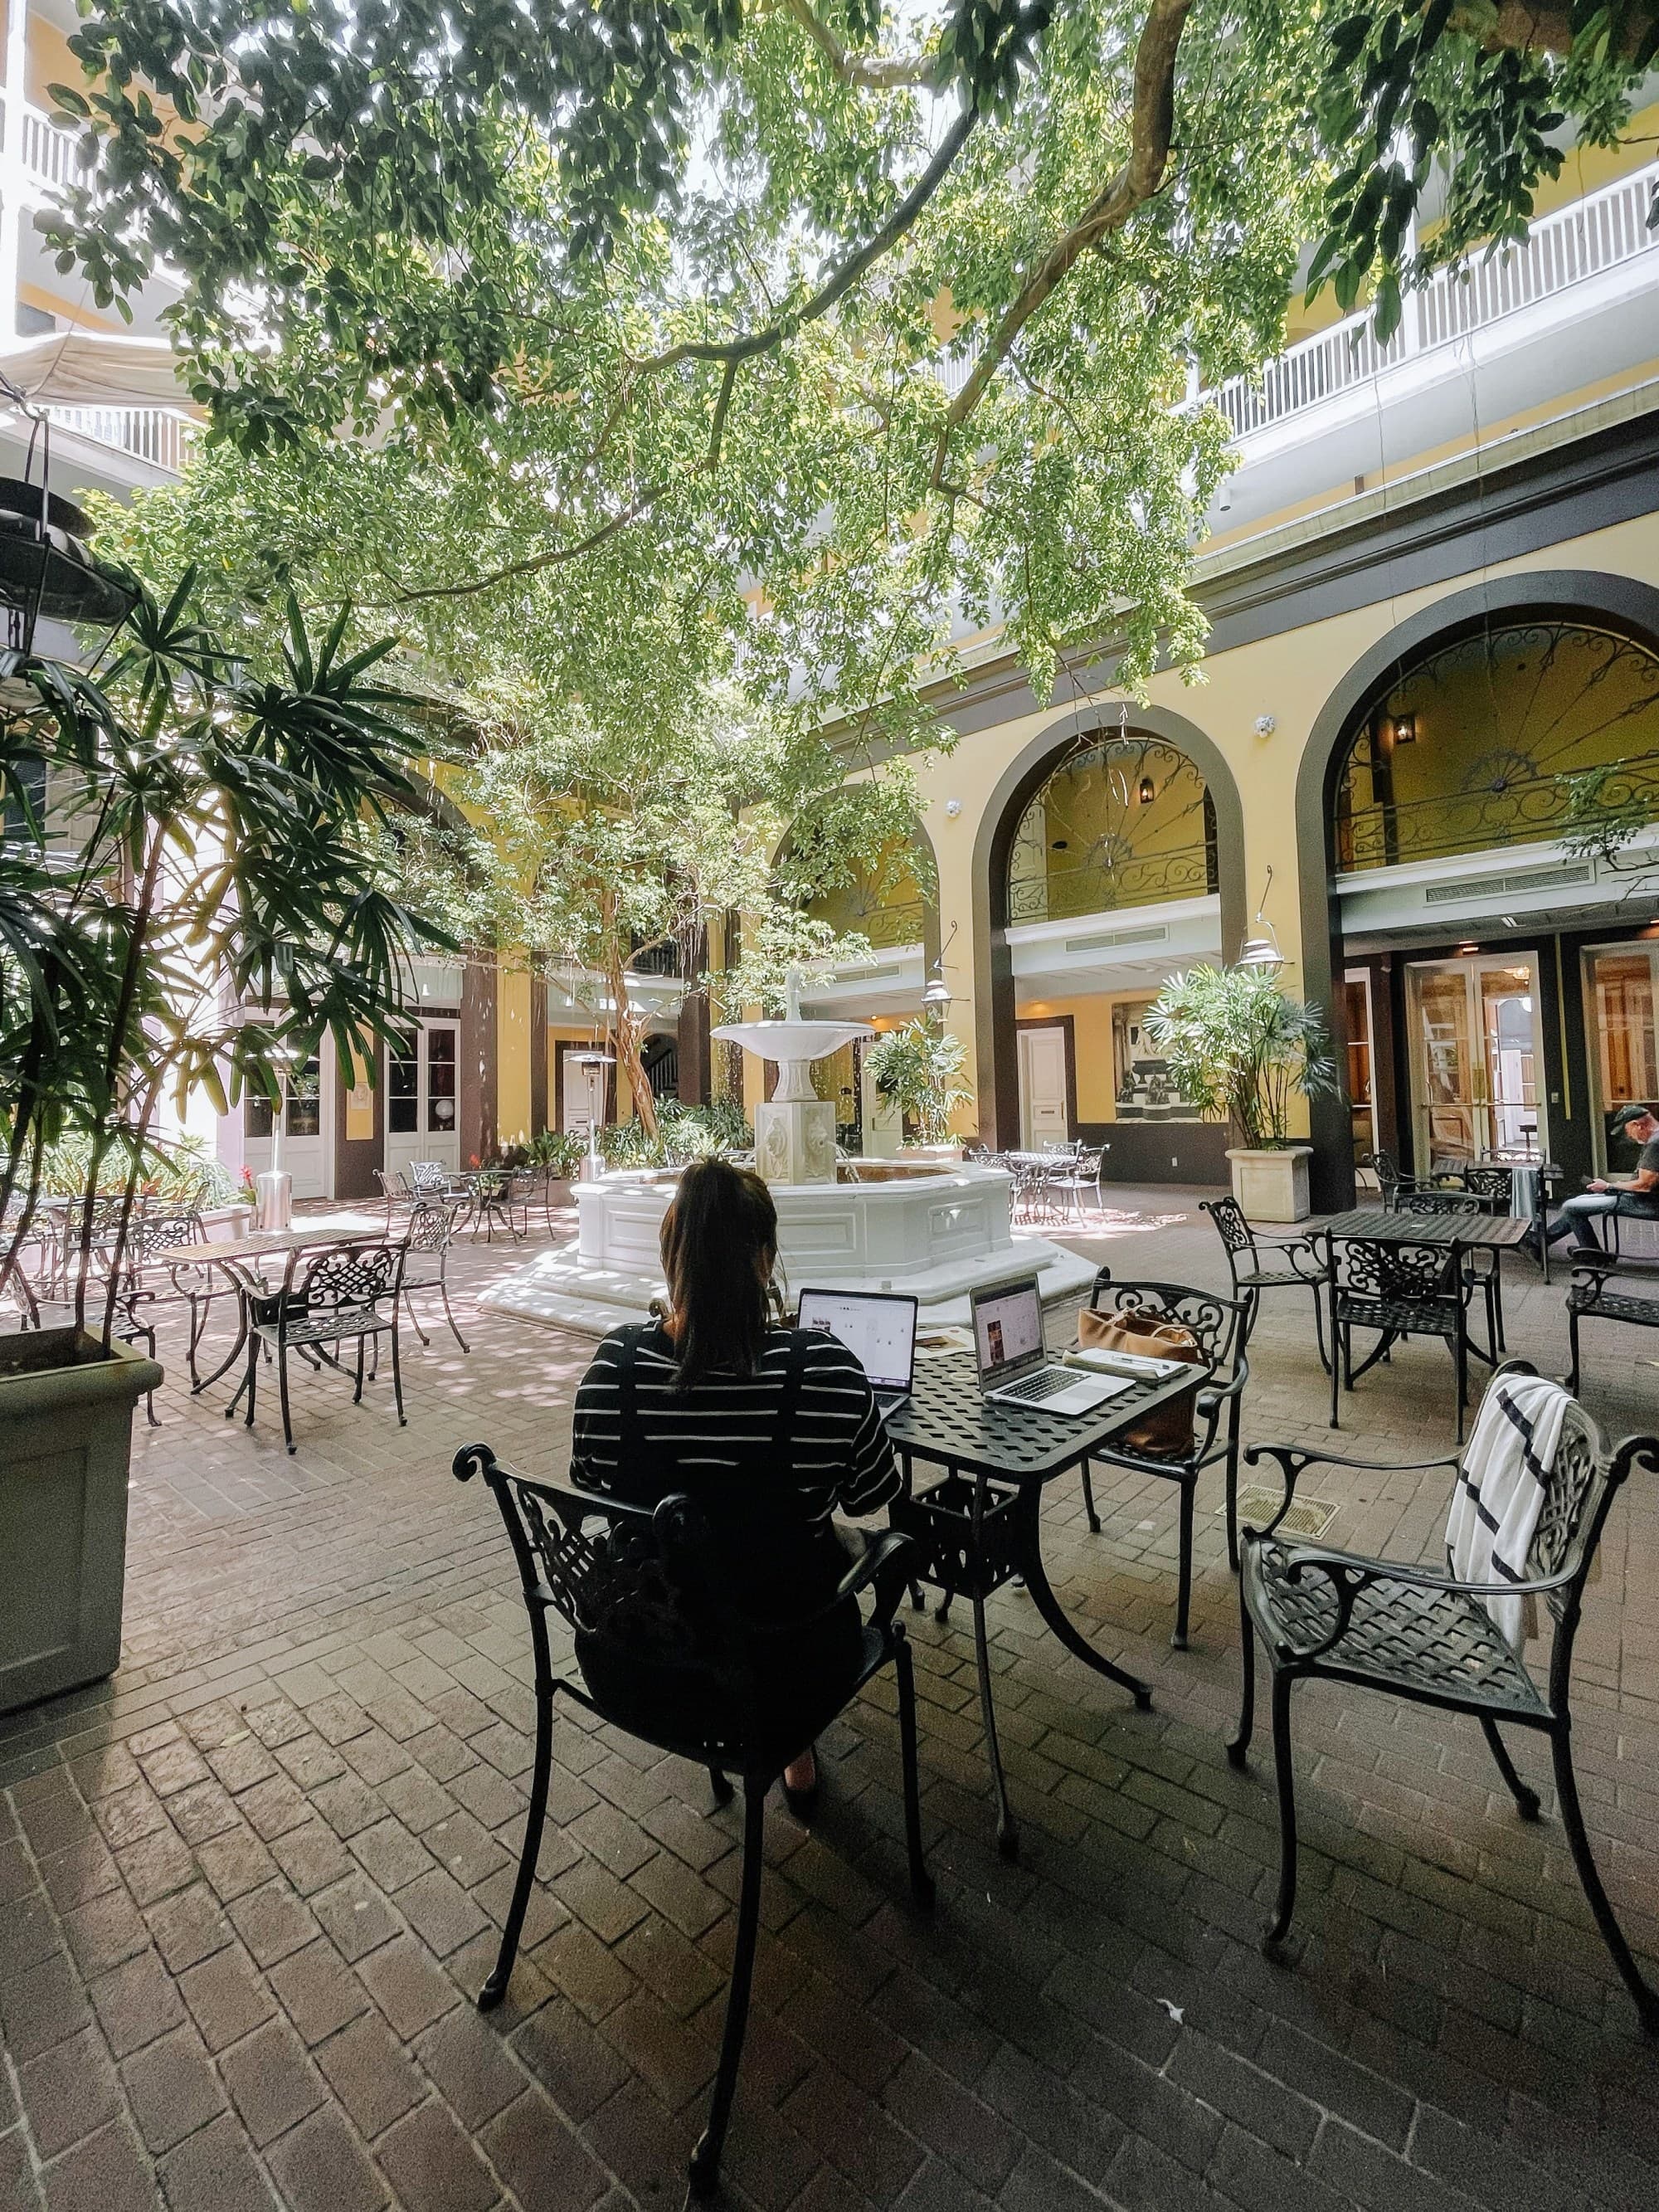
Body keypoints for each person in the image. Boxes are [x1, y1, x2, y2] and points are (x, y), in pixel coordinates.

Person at [571, 1156, 899, 1813]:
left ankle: (777, 1746)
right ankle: (792, 1751)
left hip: (639, 1661)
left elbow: (588, 1485)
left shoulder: (613, 1369)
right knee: (832, 1545)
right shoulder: (825, 1372)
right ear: (766, 1257)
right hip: (790, 1664)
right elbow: (870, 1495)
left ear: (671, 1253)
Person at [1530, 1103, 1659, 1254]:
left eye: (1627, 1131)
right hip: (1642, 1199)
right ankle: (1542, 1242)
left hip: (1645, 1203)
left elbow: (1645, 1185)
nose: (1629, 1136)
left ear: (1637, 1125)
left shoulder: (1654, 1144)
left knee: (1571, 1207)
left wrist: (1609, 1186)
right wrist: (1610, 1186)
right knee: (1578, 1202)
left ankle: (1591, 1254)